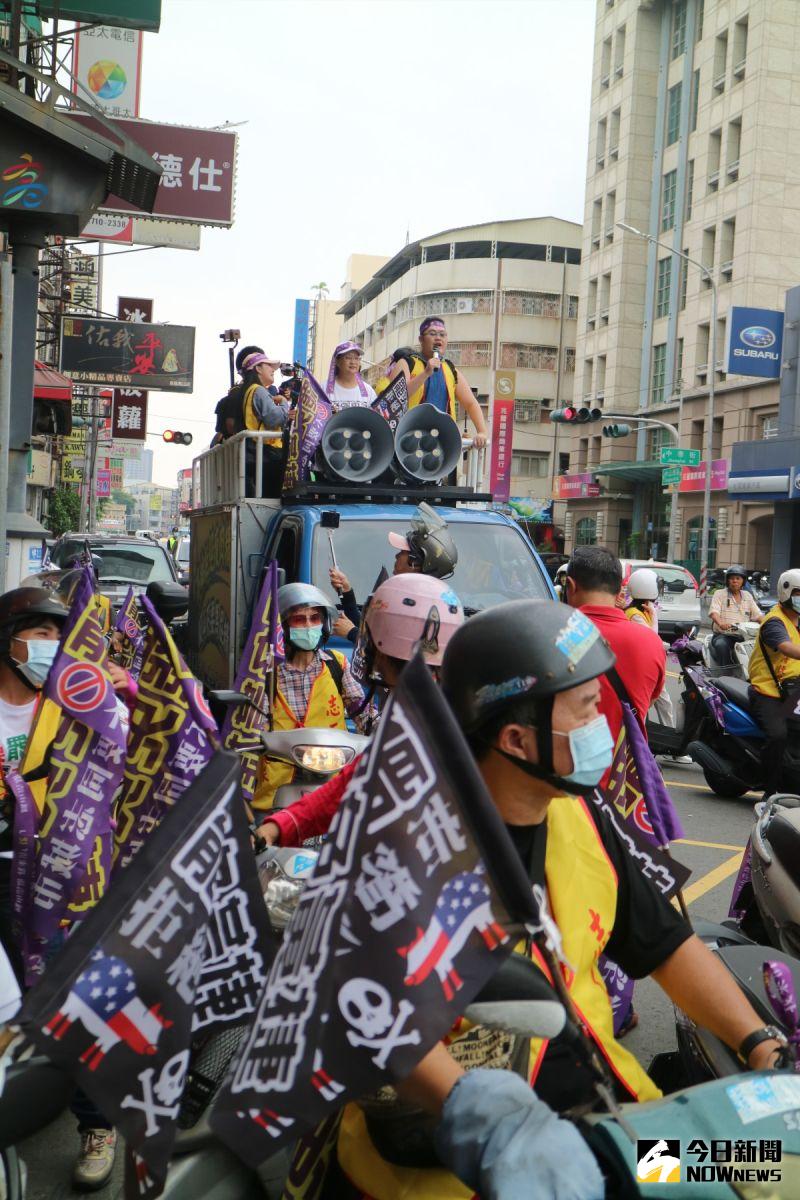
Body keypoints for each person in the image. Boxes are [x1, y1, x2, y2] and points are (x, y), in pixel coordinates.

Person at [335, 600, 786, 1199]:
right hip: (474, 1166)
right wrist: (493, 1125)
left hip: (615, 1139)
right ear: (517, 739)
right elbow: (374, 1020)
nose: (604, 719)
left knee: (766, 1172)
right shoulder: (407, 851)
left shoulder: (581, 814)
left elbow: (666, 943)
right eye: (584, 708)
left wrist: (760, 1044)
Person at [0, 586, 131, 1190]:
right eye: (38, 632)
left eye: (59, 634)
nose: (50, 647)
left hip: (62, 878)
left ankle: (96, 1123)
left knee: (79, 1005)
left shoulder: (82, 702)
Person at [256, 573, 464, 846]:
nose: (365, 650)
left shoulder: (428, 724)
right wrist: (278, 828)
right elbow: (351, 784)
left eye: (370, 638)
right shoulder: (416, 713)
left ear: (386, 647)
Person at [252, 583, 364, 811]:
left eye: (315, 618)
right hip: (275, 795)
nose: (309, 625)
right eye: (299, 620)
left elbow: (364, 713)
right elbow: (252, 731)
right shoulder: (266, 674)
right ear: (283, 627)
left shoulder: (337, 665)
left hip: (333, 789)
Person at [563, 547, 665, 754]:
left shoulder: (557, 635)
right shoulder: (652, 643)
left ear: (571, 586)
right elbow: (651, 699)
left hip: (566, 769)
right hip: (625, 774)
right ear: (620, 591)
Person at [330, 503, 459, 640]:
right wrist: (347, 592)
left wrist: (351, 633)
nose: (396, 556)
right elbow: (370, 628)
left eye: (403, 552)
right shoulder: (404, 595)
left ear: (414, 563)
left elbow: (390, 649)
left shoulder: (417, 605)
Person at [386, 317, 488, 448]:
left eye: (442, 335)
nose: (438, 338)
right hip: (406, 440)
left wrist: (482, 432)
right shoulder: (406, 363)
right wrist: (425, 373)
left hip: (441, 442)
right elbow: (395, 399)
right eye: (432, 334)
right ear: (421, 339)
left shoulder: (450, 369)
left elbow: (471, 403)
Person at [748, 567, 800, 800]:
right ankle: (769, 789)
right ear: (786, 592)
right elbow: (786, 647)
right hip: (768, 691)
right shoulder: (774, 622)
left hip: (793, 690)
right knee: (778, 735)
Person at [239, 350, 289, 497]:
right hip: (265, 454)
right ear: (258, 369)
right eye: (268, 365)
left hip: (255, 453)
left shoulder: (248, 390)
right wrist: (285, 404)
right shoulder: (259, 391)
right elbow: (274, 419)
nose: (273, 370)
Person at [710, 564, 763, 666]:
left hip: (744, 636)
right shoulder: (719, 594)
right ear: (727, 580)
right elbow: (714, 612)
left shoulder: (747, 596)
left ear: (743, 580)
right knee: (721, 645)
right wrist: (721, 623)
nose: (735, 581)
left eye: (738, 578)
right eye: (732, 578)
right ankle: (724, 674)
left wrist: (767, 623)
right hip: (723, 635)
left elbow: (758, 615)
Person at [212, 342, 264, 445]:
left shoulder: (262, 393)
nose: (269, 367)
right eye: (264, 362)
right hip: (245, 453)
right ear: (255, 367)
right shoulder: (238, 396)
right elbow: (231, 427)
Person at [325, 341, 378, 410]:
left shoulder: (369, 391)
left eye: (356, 358)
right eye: (348, 358)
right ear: (337, 361)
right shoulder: (324, 389)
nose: (353, 362)